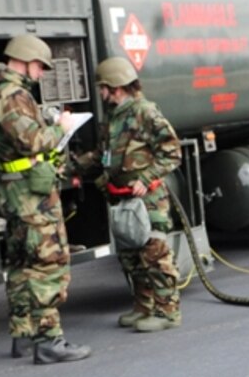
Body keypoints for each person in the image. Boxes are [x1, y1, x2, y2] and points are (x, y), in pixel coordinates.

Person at [0, 35, 90, 364]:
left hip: (13, 188)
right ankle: (49, 340)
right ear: (25, 59)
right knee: (48, 263)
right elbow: (33, 140)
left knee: (20, 264)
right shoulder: (12, 95)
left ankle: (23, 334)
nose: (41, 73)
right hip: (29, 193)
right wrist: (62, 127)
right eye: (40, 66)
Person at [74, 56, 184, 331]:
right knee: (131, 256)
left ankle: (168, 312)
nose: (100, 92)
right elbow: (103, 154)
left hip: (147, 199)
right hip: (122, 197)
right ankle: (143, 307)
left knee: (154, 254)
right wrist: (74, 165)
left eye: (103, 87)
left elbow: (172, 152)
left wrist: (146, 178)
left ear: (116, 86)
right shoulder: (113, 116)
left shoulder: (145, 112)